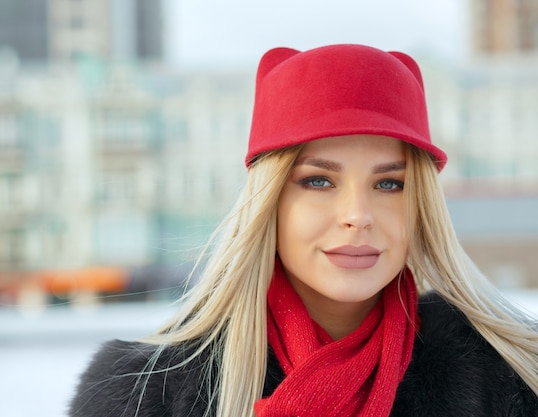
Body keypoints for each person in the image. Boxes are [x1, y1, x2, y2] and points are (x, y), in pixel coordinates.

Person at [69, 44, 538, 417]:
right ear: (269, 201)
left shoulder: (509, 375)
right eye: (319, 181)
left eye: (389, 183)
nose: (358, 214)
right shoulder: (143, 392)